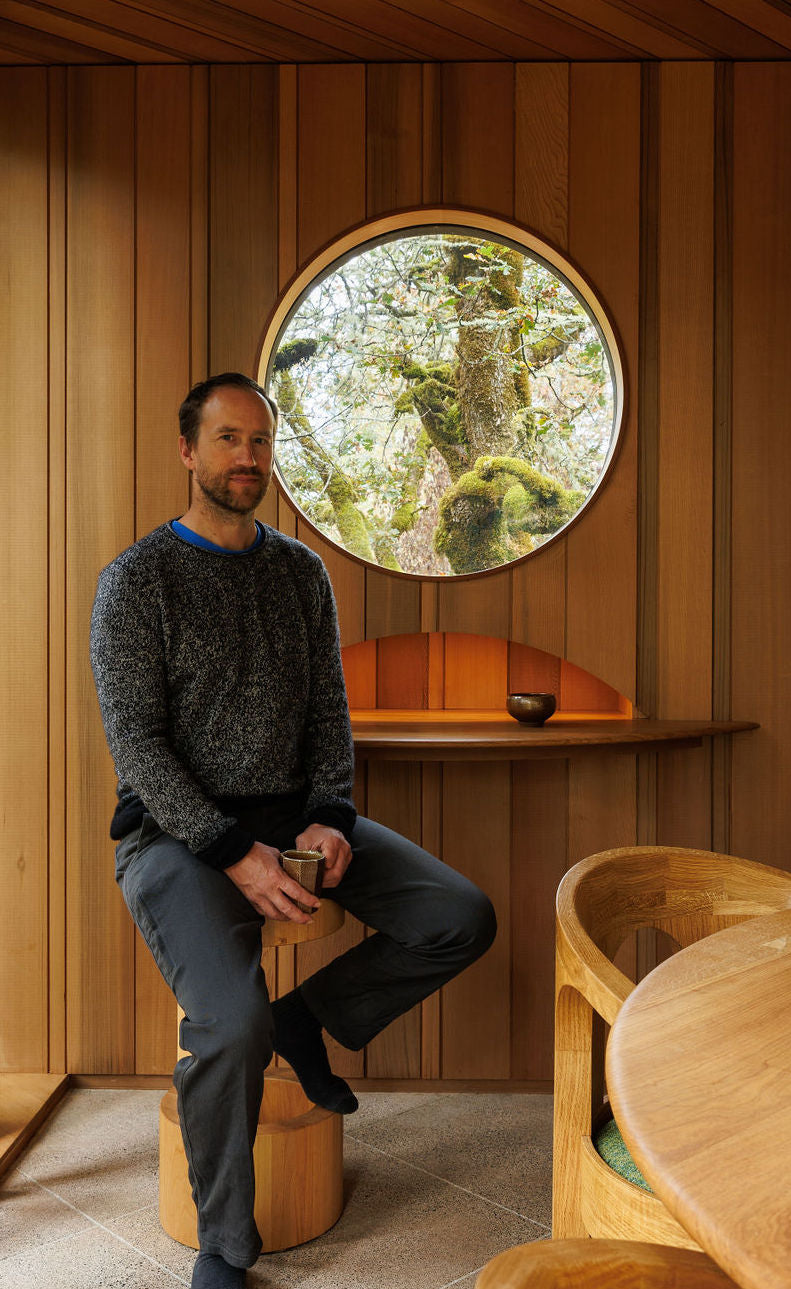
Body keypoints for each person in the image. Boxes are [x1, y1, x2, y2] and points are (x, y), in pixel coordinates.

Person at [90, 372, 496, 1289]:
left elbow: (327, 713)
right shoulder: (136, 581)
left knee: (460, 915)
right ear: (188, 451)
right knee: (228, 1028)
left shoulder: (300, 572)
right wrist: (232, 853)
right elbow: (138, 746)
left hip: (295, 816)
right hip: (174, 834)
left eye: (260, 441)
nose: (247, 458)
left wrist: (328, 814)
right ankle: (225, 1244)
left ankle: (305, 1022)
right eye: (228, 440)